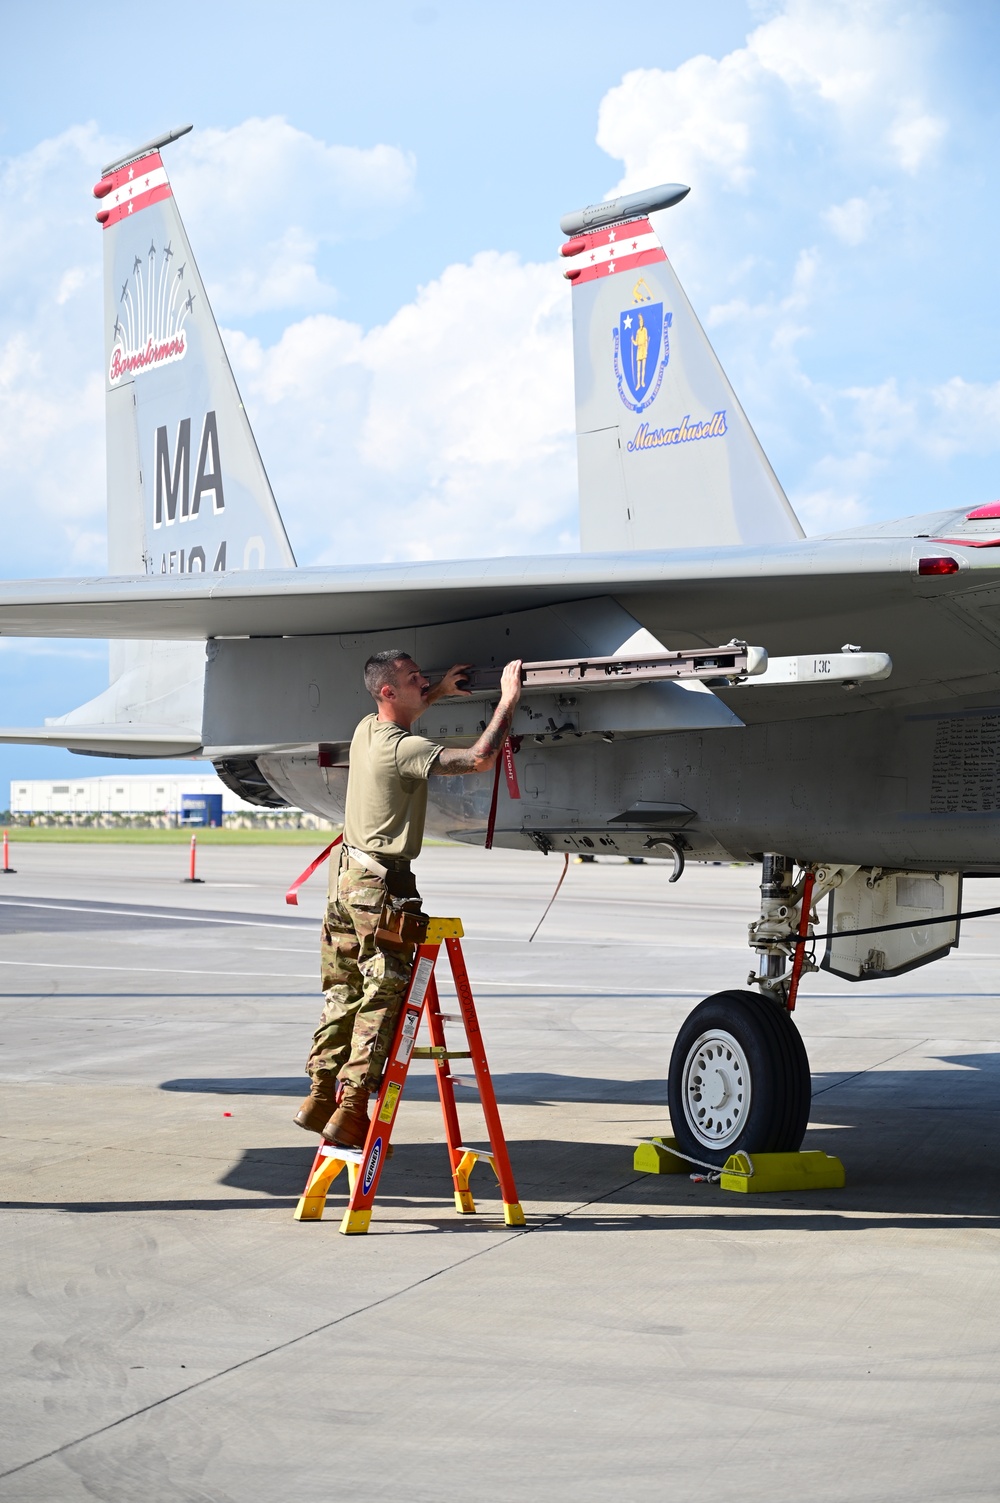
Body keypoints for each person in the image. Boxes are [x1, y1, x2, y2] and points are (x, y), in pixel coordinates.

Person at [294, 650, 523, 1149]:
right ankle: (353, 1109)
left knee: (343, 993)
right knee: (383, 995)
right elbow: (479, 759)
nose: (423, 680)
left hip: (345, 880)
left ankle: (319, 1096)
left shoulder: (365, 729)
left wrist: (439, 690)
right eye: (413, 678)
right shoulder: (404, 747)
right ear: (387, 693)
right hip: (381, 889)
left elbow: (408, 707)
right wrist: (507, 701)